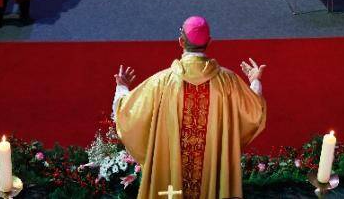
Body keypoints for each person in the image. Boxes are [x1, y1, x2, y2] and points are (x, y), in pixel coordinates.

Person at [113, 16, 266, 199]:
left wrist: (122, 87)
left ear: (180, 41)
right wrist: (255, 81)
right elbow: (254, 112)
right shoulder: (228, 81)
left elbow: (128, 114)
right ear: (210, 42)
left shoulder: (161, 82)